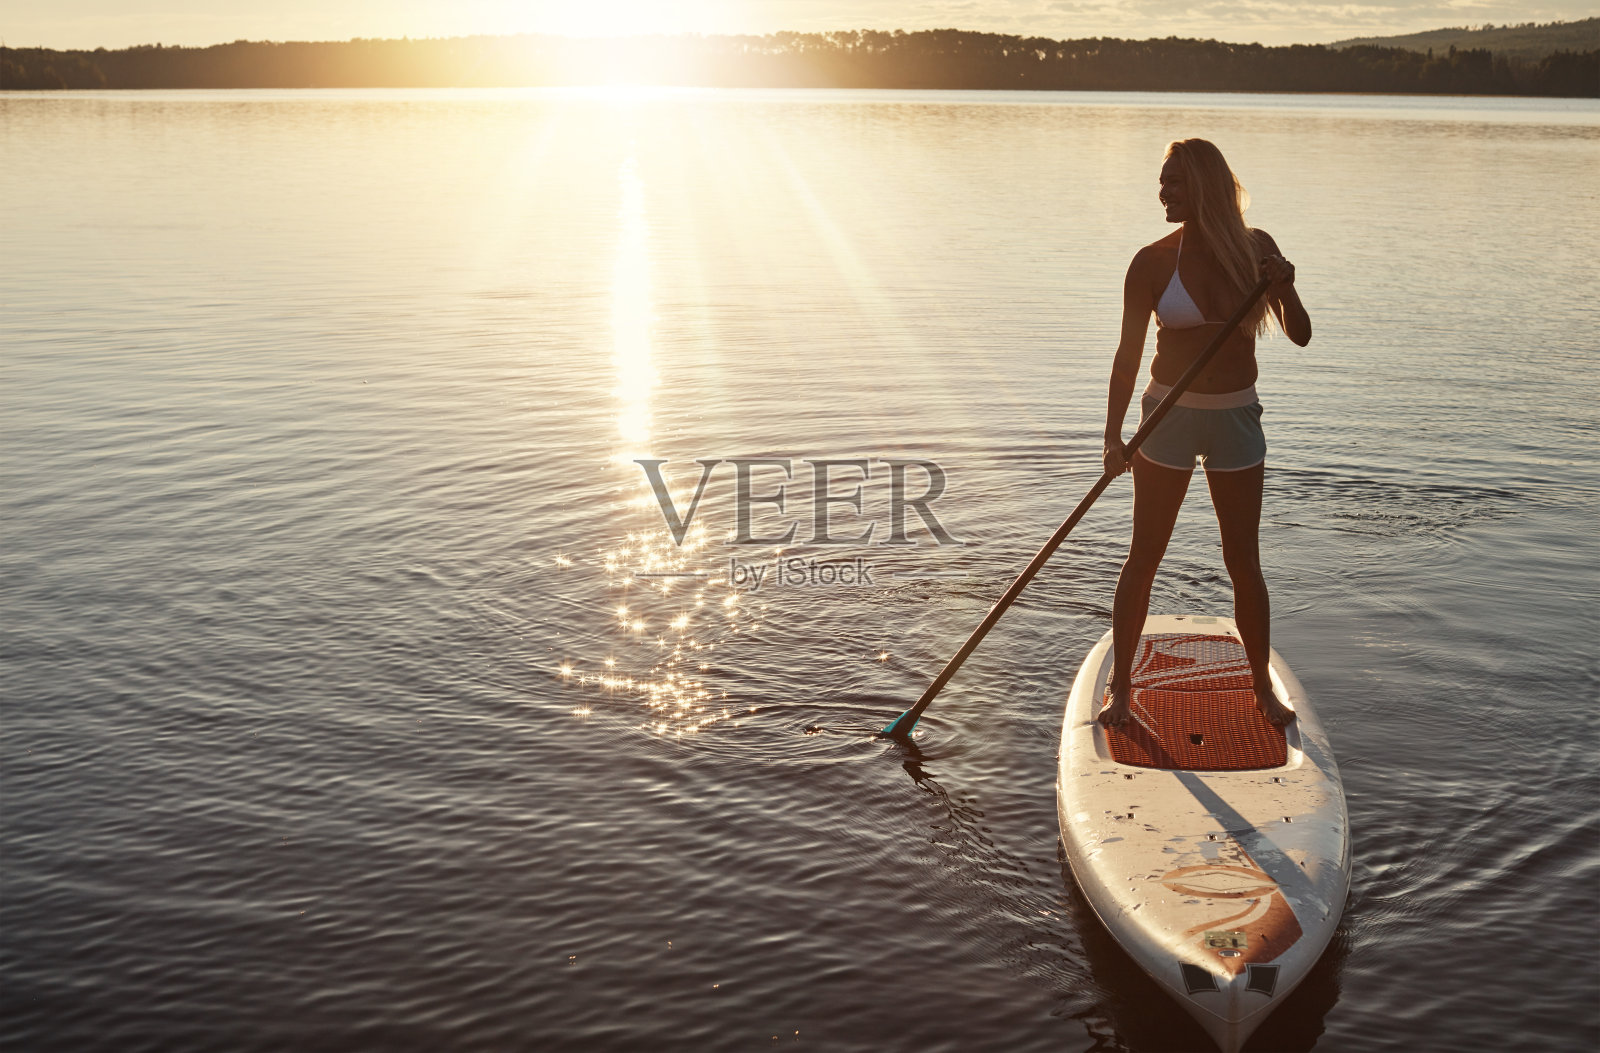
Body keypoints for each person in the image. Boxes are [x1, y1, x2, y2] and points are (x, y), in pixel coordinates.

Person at [1098, 138, 1311, 731]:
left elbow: (1301, 333)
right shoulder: (1150, 261)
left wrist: (1285, 284)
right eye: (1162, 182)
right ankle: (1122, 688)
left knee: (1244, 559)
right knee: (1145, 556)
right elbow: (1127, 355)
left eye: (1175, 183)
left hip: (1236, 417)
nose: (1163, 193)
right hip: (1167, 416)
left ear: (1205, 186)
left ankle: (1260, 691)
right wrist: (1114, 437)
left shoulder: (1257, 248)